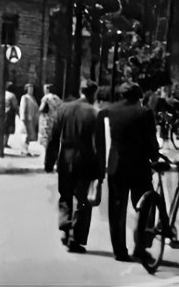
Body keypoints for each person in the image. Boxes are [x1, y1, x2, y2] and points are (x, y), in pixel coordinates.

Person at [98, 81, 159, 262]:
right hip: (139, 166)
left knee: (117, 210)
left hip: (116, 164)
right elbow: (151, 140)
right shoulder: (145, 112)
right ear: (138, 96)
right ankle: (140, 246)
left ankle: (119, 251)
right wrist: (155, 157)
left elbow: (103, 139)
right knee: (146, 206)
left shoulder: (110, 111)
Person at [45, 80, 102, 253]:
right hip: (85, 160)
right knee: (82, 200)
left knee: (65, 195)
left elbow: (53, 137)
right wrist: (100, 170)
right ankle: (76, 237)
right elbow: (98, 144)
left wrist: (49, 161)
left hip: (65, 158)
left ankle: (65, 227)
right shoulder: (94, 113)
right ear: (93, 94)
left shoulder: (63, 109)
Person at [38, 84, 62, 151]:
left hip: (47, 119)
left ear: (47, 90)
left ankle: (46, 150)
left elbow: (41, 109)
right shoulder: (57, 98)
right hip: (55, 119)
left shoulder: (46, 98)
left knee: (46, 136)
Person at [18, 83, 39, 156]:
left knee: (30, 135)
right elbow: (22, 108)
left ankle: (26, 149)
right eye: (29, 89)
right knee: (25, 134)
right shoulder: (25, 97)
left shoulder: (33, 98)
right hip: (27, 118)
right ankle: (24, 150)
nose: (31, 90)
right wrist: (23, 118)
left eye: (32, 89)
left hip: (32, 118)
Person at [4, 81, 19, 149]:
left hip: (2, 112)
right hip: (10, 113)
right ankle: (5, 142)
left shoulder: (2, 93)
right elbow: (15, 106)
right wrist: (18, 113)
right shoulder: (12, 95)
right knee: (8, 129)